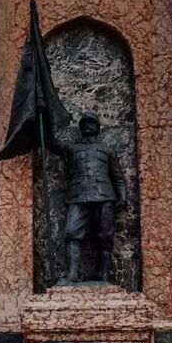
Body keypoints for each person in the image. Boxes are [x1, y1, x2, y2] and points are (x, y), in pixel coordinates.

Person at [53, 113, 127, 284]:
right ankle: (72, 275)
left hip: (104, 195)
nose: (87, 125)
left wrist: (122, 196)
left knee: (104, 237)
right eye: (84, 123)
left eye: (91, 122)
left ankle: (104, 275)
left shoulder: (107, 149)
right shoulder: (72, 148)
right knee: (72, 232)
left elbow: (117, 176)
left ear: (97, 127)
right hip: (78, 196)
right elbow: (52, 143)